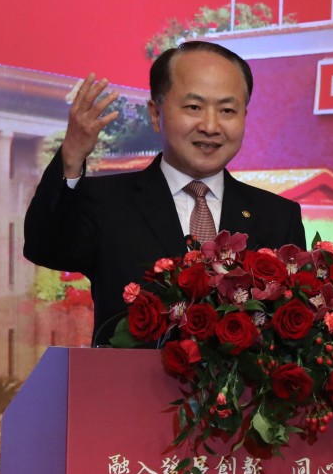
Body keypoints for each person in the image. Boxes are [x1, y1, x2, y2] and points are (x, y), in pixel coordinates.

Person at [24, 41, 306, 345]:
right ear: (156, 113)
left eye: (227, 110)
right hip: (126, 389)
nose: (210, 126)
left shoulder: (278, 217)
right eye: (193, 107)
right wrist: (71, 157)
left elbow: (291, 329)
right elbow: (44, 247)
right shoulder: (107, 202)